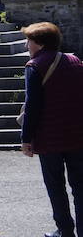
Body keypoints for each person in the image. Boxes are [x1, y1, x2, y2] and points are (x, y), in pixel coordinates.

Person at [20, 22, 83, 237]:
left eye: (29, 40)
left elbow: (33, 106)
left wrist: (26, 139)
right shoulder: (75, 61)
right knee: (81, 187)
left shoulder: (34, 66)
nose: (27, 44)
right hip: (78, 135)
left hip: (50, 138)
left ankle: (65, 230)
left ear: (39, 43)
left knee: (56, 186)